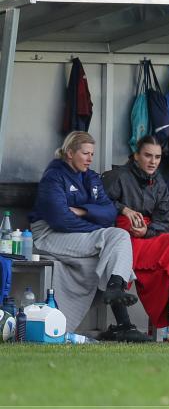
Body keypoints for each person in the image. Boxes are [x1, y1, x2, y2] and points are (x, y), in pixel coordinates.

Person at [29, 131, 150, 342]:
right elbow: (60, 219)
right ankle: (119, 309)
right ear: (69, 153)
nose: (90, 158)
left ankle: (121, 322)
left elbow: (109, 213)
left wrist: (83, 211)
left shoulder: (91, 177)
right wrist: (95, 226)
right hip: (49, 235)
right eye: (85, 153)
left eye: (92, 154)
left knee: (106, 254)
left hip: (76, 235)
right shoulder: (54, 176)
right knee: (118, 236)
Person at [102, 135, 169, 342]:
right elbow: (98, 203)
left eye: (157, 157)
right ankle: (165, 326)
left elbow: (166, 221)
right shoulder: (118, 176)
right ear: (136, 155)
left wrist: (146, 232)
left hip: (146, 237)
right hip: (119, 239)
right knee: (156, 259)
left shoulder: (159, 181)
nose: (153, 161)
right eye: (148, 155)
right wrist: (123, 209)